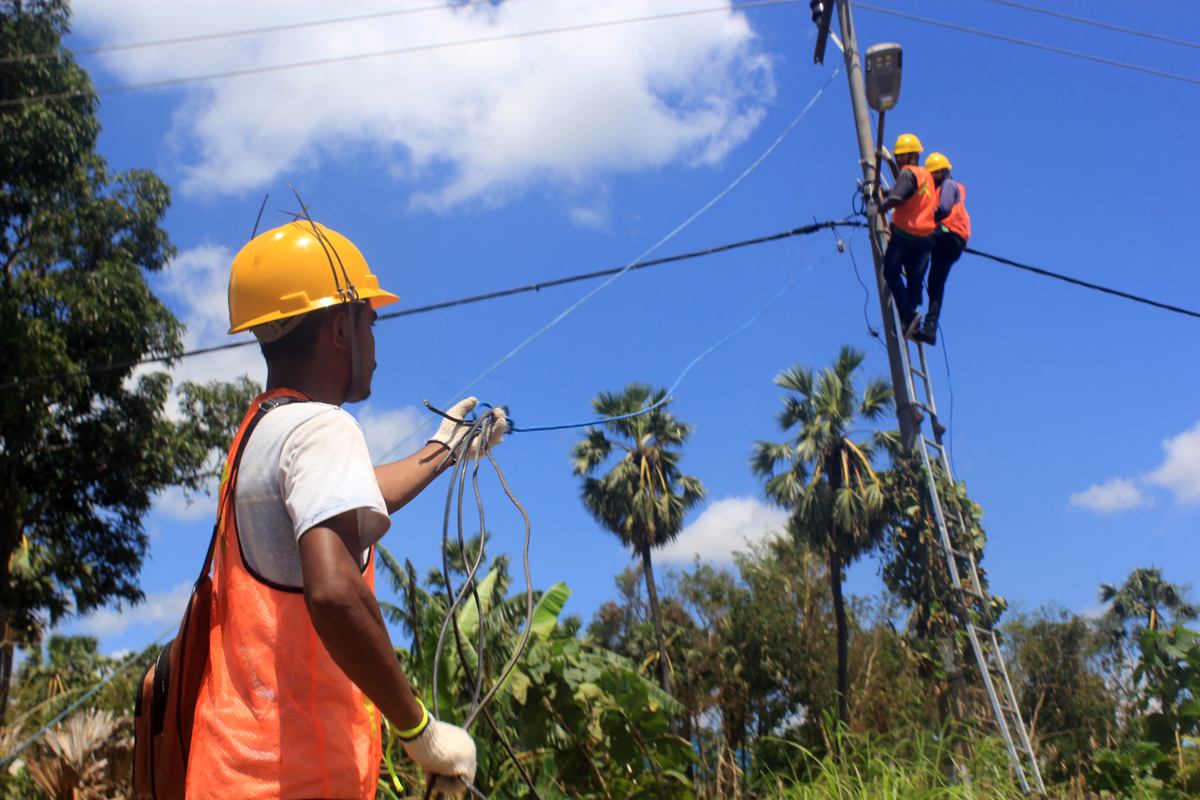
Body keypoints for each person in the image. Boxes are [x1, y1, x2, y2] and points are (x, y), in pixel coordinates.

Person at [186, 219, 501, 799]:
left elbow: (352, 492)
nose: (376, 345)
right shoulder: (323, 427)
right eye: (370, 321)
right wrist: (418, 730)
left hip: (228, 773)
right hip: (296, 779)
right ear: (340, 328)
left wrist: (446, 448)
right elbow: (332, 589)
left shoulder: (259, 433)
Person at [877, 133, 938, 340]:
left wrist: (878, 208)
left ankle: (908, 314)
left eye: (900, 156)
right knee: (914, 283)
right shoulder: (925, 175)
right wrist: (888, 160)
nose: (898, 160)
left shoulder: (907, 174)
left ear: (911, 156)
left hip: (905, 235)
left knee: (891, 271)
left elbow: (897, 195)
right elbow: (903, 181)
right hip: (925, 240)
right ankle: (907, 323)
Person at [913, 152, 971, 346]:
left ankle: (914, 291)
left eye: (936, 174)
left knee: (915, 245)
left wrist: (920, 223)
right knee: (936, 284)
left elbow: (944, 210)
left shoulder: (948, 185)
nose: (934, 179)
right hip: (955, 243)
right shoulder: (937, 190)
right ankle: (930, 329)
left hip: (947, 233)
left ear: (945, 172)